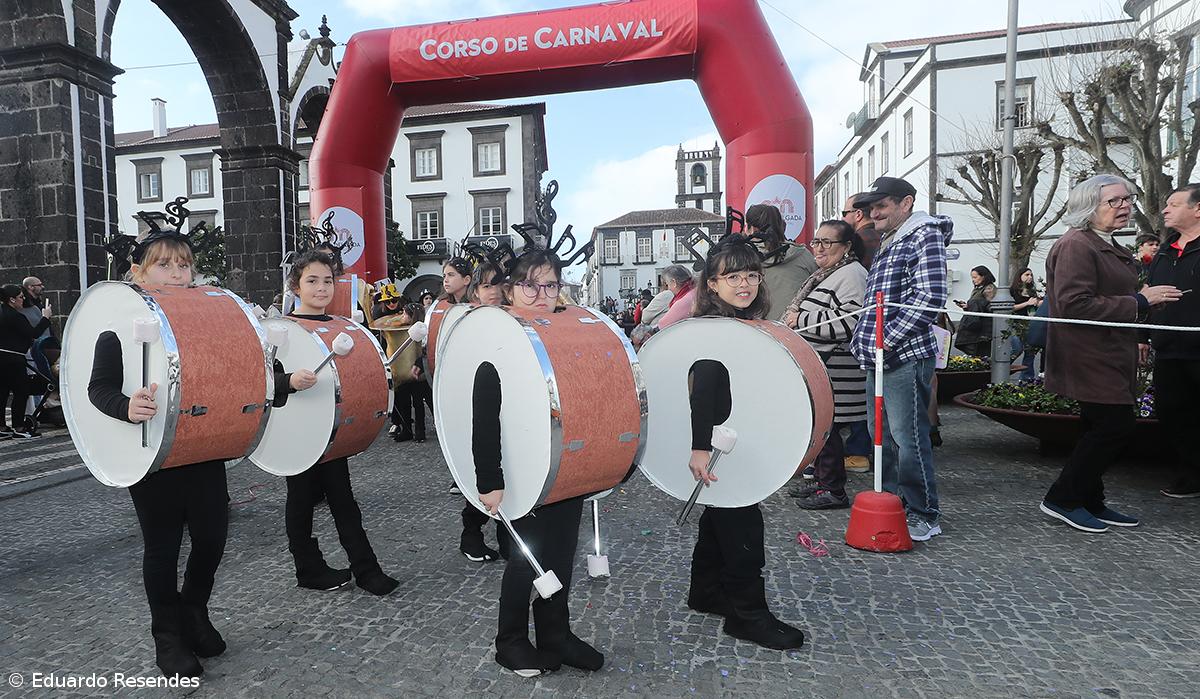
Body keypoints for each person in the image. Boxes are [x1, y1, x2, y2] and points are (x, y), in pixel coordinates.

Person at [85, 233, 226, 679]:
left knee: (211, 537)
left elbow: (238, 373)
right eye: (164, 265)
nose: (177, 274)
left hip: (203, 445)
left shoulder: (206, 319)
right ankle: (167, 637)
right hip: (151, 455)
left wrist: (278, 386)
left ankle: (194, 612)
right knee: (163, 547)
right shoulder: (117, 322)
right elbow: (98, 387)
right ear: (138, 273)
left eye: (184, 266)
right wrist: (126, 407)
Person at [474, 248, 604, 676]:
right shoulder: (497, 335)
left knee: (562, 554)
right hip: (521, 468)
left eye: (550, 284)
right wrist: (489, 478)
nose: (540, 293)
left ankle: (555, 635)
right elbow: (483, 410)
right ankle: (509, 641)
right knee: (524, 559)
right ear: (511, 289)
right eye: (530, 284)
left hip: (563, 464)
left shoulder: (562, 331)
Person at [1040, 174, 1181, 533]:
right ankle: (1063, 498)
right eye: (1114, 201)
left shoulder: (1104, 243)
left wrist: (1148, 303)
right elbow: (1074, 304)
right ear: (1089, 207)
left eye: (1127, 199)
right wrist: (1138, 301)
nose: (1125, 207)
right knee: (1114, 426)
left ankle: (1090, 500)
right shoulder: (1077, 244)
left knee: (1096, 425)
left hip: (1107, 350)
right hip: (1088, 353)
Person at [685, 233, 806, 650]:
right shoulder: (715, 330)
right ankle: (746, 615)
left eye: (752, 274)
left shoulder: (741, 325)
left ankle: (705, 591)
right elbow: (702, 390)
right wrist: (700, 449)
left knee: (719, 516)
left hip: (735, 437)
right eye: (731, 276)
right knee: (743, 526)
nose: (744, 284)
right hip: (721, 444)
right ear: (712, 284)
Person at [275, 249, 401, 594]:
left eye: (328, 281)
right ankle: (308, 566)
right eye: (312, 281)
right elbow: (260, 380)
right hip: (296, 431)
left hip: (330, 432)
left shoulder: (339, 325)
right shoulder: (282, 330)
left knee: (344, 501)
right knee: (300, 501)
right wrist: (288, 382)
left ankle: (366, 569)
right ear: (296, 286)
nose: (321, 288)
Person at [850, 176, 952, 542]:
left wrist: (884, 341)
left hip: (901, 355)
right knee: (884, 436)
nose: (873, 213)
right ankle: (893, 504)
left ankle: (924, 513)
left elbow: (930, 296)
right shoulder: (892, 239)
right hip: (882, 355)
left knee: (907, 438)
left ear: (906, 203)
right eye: (870, 207)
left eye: (882, 206)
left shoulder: (923, 234)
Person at [781, 221, 869, 510]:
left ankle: (833, 490)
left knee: (828, 431)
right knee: (820, 429)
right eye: (816, 241)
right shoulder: (829, 273)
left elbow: (851, 321)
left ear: (846, 247)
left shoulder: (852, 275)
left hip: (837, 369)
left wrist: (799, 321)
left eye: (826, 242)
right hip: (822, 367)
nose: (818, 247)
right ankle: (822, 483)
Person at [1144, 184, 1200, 499]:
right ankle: (1191, 473)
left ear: (1198, 208)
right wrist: (1143, 336)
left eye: (1174, 204)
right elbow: (1149, 296)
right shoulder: (1165, 251)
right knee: (1173, 412)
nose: (1166, 209)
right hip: (1169, 349)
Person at [458, 261, 506, 563]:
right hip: (478, 405)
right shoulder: (469, 322)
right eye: (488, 285)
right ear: (476, 290)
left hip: (507, 405)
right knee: (483, 470)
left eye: (500, 284)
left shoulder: (510, 318)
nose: (495, 291)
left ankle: (505, 537)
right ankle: (471, 535)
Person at [746, 203, 817, 321]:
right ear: (782, 226)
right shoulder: (803, 255)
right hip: (796, 331)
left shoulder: (738, 258)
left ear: (751, 228)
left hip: (754, 331)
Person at [1, 284, 51, 438]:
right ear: (11, 299)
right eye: (21, 297)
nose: (23, 300)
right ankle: (19, 427)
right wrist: (45, 317)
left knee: (2, 393)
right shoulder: (16, 316)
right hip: (14, 358)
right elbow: (34, 333)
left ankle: (2, 427)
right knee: (21, 392)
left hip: (2, 356)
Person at [387, 302, 426, 443]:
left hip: (416, 372)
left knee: (418, 403)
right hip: (400, 371)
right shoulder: (398, 328)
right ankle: (407, 430)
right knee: (404, 403)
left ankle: (420, 431)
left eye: (405, 314)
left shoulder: (419, 329)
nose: (402, 316)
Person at [952, 266, 997, 357]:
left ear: (983, 276)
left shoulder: (989, 289)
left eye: (975, 277)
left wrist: (973, 305)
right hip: (976, 322)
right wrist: (967, 306)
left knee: (980, 352)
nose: (973, 280)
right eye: (972, 277)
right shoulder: (978, 289)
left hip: (983, 326)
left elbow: (990, 306)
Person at [1009, 268, 1043, 381]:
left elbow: (1035, 306)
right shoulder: (1012, 291)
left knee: (1030, 352)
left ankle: (1026, 379)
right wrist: (1027, 303)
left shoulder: (1033, 291)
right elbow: (1010, 307)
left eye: (1031, 275)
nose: (1030, 277)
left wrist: (1039, 304)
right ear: (1020, 276)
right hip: (1016, 324)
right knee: (1017, 348)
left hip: (1030, 324)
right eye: (1027, 274)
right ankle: (1000, 368)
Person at [845, 194, 881, 269]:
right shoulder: (886, 236)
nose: (842, 218)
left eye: (844, 213)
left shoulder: (853, 241)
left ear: (858, 215)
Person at [656, 264, 697, 330]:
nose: (668, 288)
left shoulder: (686, 299)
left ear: (674, 282)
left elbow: (663, 324)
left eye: (667, 284)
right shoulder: (694, 290)